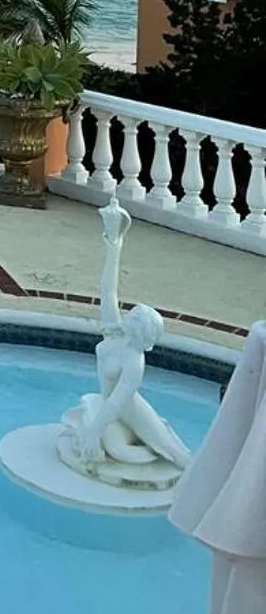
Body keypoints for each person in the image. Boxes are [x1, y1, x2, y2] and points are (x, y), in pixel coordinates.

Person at [58, 199, 191, 486]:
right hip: (111, 410)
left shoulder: (135, 362)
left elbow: (119, 402)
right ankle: (139, 446)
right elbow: (109, 290)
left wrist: (94, 430)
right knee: (117, 450)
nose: (127, 315)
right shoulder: (115, 334)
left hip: (134, 414)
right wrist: (114, 242)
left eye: (134, 316)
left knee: (179, 457)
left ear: (140, 331)